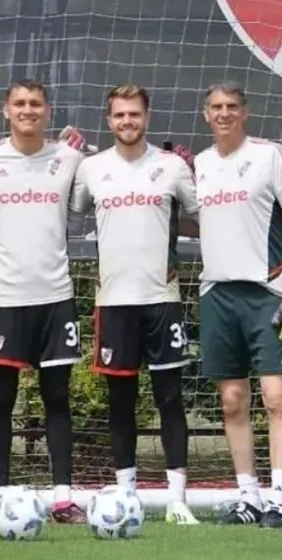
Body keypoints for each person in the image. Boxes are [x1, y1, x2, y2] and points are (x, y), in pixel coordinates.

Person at [0, 80, 89, 523]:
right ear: (5, 111)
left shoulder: (69, 159)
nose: (27, 110)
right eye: (19, 104)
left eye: (35, 104)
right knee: (0, 400)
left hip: (55, 296)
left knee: (57, 398)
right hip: (3, 297)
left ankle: (63, 497)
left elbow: (80, 209)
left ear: (47, 111)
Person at [69, 84, 201, 525]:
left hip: (162, 299)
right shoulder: (91, 169)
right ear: (109, 121)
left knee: (169, 399)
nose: (128, 122)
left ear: (148, 117)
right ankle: (125, 493)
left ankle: (176, 498)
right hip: (114, 303)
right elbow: (74, 207)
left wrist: (195, 172)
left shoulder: (171, 167)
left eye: (135, 114)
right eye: (120, 115)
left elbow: (202, 212)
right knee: (120, 403)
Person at [194, 82, 282, 529]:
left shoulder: (270, 155)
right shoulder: (198, 166)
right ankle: (248, 497)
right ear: (206, 115)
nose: (224, 114)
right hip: (217, 294)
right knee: (231, 400)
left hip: (270, 291)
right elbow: (198, 219)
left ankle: (279, 500)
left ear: (244, 112)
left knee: (277, 397)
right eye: (216, 108)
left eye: (231, 107)